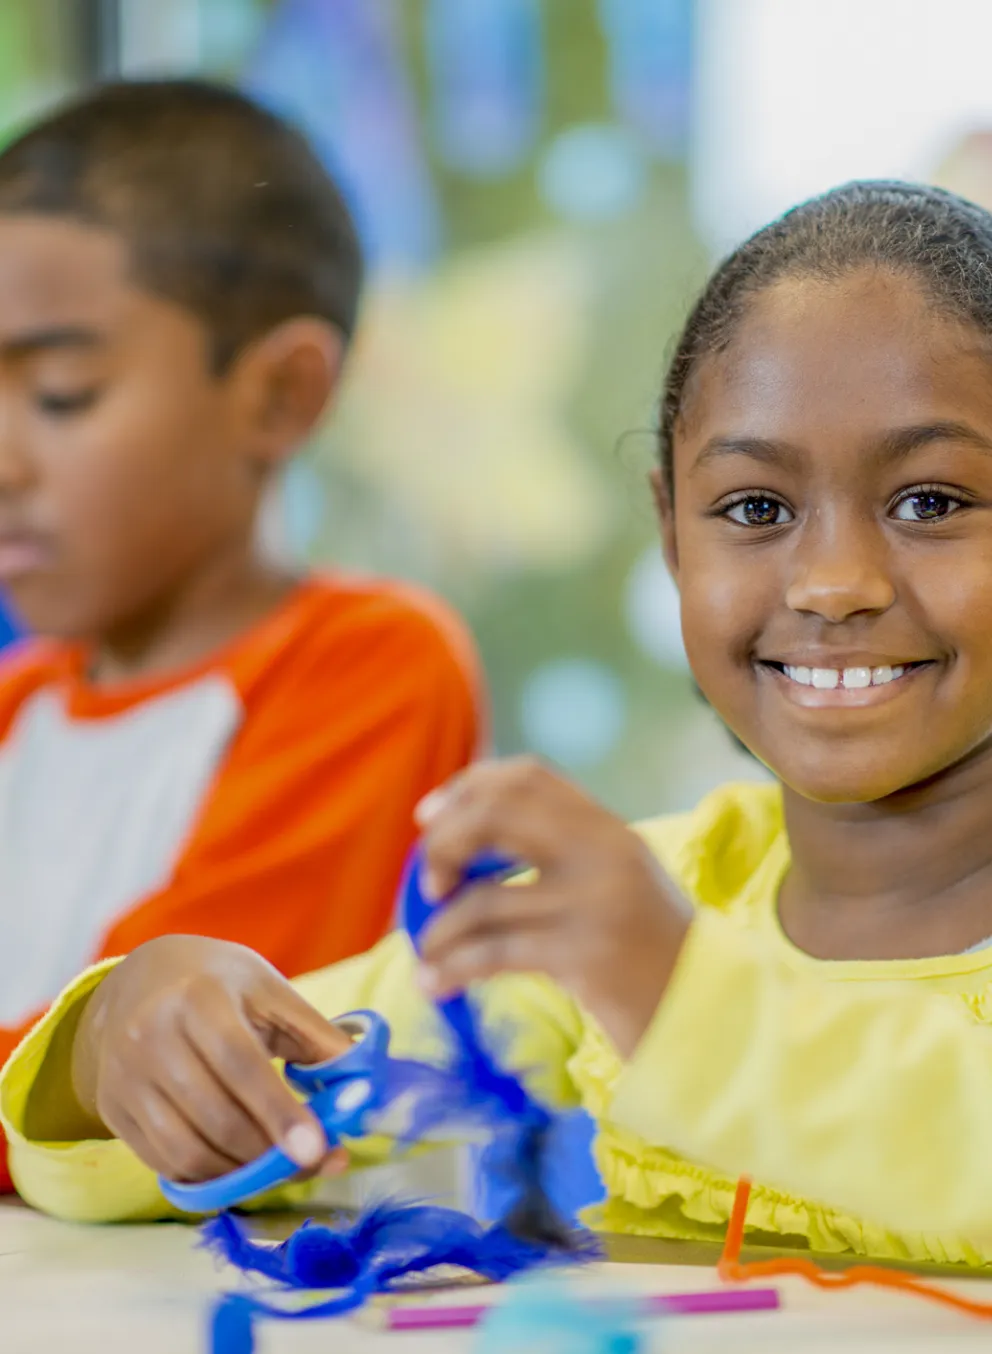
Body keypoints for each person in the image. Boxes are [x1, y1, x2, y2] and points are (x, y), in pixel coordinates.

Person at [9, 180, 992, 1265]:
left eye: (930, 501)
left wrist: (677, 992)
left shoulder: (643, 942)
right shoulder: (635, 906)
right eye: (754, 509)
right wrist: (115, 1044)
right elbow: (287, 1085)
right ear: (671, 536)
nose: (832, 583)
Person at [0, 80, 484, 1191]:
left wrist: (79, 1058)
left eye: (62, 394)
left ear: (278, 395)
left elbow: (164, 1069)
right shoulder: (15, 703)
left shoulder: (370, 668)